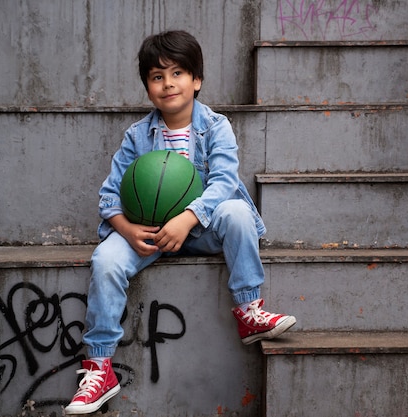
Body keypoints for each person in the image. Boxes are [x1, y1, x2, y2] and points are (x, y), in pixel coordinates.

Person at [64, 30, 296, 414]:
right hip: (149, 233)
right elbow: (108, 197)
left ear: (197, 80)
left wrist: (188, 220)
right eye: (157, 76)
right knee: (105, 261)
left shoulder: (216, 126)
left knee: (237, 212)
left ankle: (249, 310)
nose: (168, 83)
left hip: (200, 227)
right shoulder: (138, 136)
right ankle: (100, 366)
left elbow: (223, 182)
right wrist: (126, 229)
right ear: (147, 86)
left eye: (177, 73)